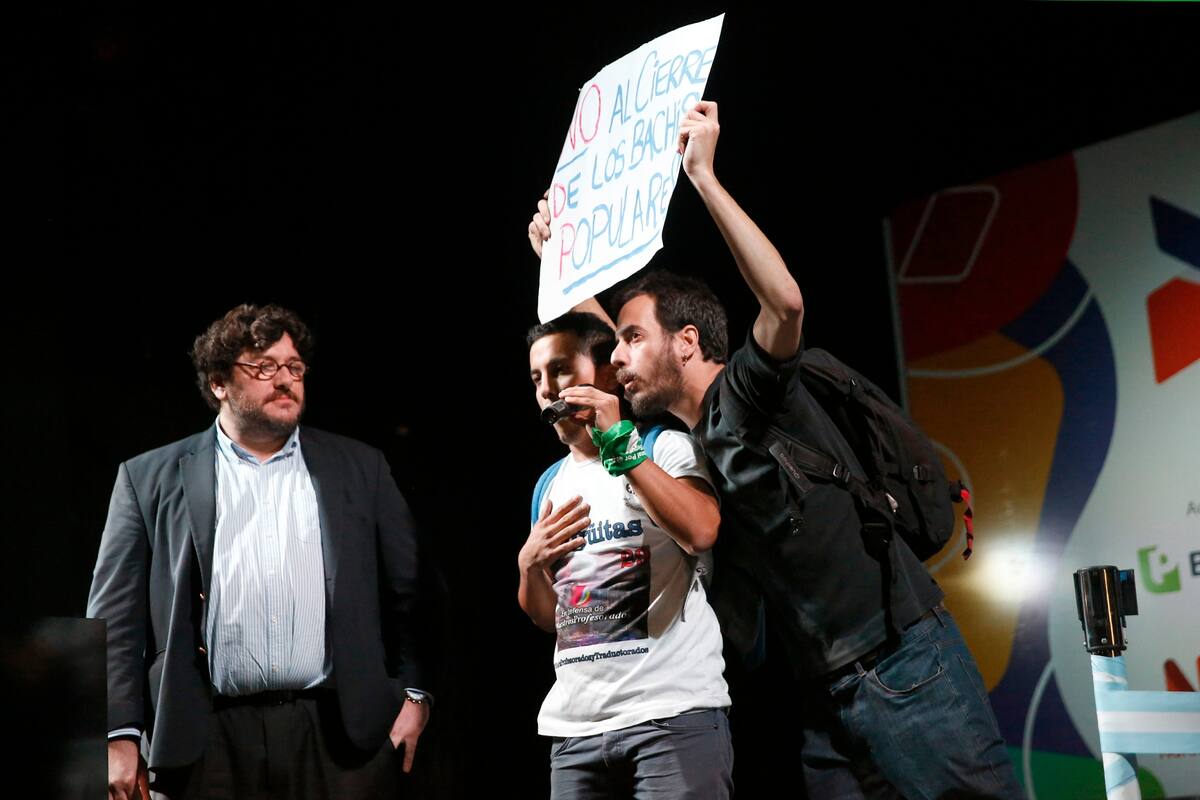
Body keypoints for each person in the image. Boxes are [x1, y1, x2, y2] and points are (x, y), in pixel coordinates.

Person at [530, 102, 1022, 798]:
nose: (617, 357)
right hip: (824, 696)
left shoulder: (754, 391)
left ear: (689, 343)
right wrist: (561, 261)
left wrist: (702, 176)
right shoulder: (689, 442)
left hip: (904, 662)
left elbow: (785, 304)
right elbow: (619, 335)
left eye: (633, 340)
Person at [88, 303, 431, 800]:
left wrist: (416, 696)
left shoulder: (360, 467)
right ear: (219, 384)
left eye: (294, 367)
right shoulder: (147, 479)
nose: (285, 379)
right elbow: (113, 619)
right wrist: (116, 731)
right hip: (205, 738)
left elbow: (415, 592)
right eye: (264, 367)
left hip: (338, 740)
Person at [520, 311, 733, 798]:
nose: (547, 389)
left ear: (607, 374)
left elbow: (703, 530)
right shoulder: (548, 484)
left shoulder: (664, 447)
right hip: (574, 730)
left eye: (560, 370)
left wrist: (618, 440)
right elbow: (549, 619)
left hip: (669, 716)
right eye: (536, 378)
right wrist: (527, 566)